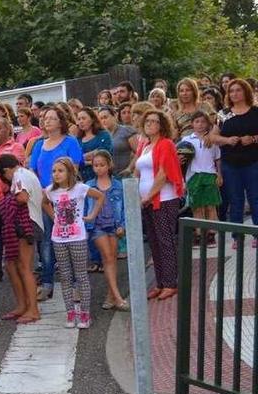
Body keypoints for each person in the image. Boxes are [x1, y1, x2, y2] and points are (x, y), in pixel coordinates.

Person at [29, 106, 84, 301]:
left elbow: (73, 169)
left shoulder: (70, 142)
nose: (47, 121)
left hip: (66, 199)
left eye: (52, 118)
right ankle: (47, 283)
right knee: (45, 242)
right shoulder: (38, 145)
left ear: (61, 121)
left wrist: (55, 188)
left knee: (71, 240)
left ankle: (77, 285)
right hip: (45, 199)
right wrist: (43, 191)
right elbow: (33, 171)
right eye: (45, 118)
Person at [42, 157, 105, 329]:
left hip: (77, 238)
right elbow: (45, 203)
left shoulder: (80, 188)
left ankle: (85, 314)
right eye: (54, 171)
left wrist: (91, 216)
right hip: (58, 238)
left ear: (70, 172)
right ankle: (70, 313)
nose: (56, 174)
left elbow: (100, 196)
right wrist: (53, 216)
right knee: (64, 276)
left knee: (81, 275)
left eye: (60, 171)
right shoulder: (50, 191)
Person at [135, 110, 184, 301]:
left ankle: (171, 283)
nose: (150, 124)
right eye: (147, 120)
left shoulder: (166, 144)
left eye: (155, 121)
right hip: (147, 200)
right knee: (154, 243)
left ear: (162, 125)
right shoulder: (145, 146)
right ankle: (160, 282)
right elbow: (138, 172)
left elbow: (163, 175)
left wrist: (148, 196)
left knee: (166, 241)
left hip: (163, 200)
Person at [0, 155, 42, 324]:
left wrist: (7, 201)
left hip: (26, 223)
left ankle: (33, 309)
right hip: (31, 222)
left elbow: (22, 197)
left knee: (24, 267)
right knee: (14, 265)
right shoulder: (27, 173)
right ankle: (23, 305)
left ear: (6, 171)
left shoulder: (19, 176)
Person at [214, 79, 258, 247]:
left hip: (253, 162)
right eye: (231, 91)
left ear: (245, 91)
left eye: (238, 90)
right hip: (230, 164)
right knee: (235, 200)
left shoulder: (255, 112)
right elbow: (212, 137)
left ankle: (256, 234)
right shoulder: (223, 114)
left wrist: (253, 138)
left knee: (255, 198)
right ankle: (236, 237)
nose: (234, 94)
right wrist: (226, 140)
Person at [84, 151, 128, 311]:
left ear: (109, 165)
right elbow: (85, 208)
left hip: (114, 225)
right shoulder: (89, 185)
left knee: (112, 259)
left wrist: (122, 224)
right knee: (108, 258)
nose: (99, 168)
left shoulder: (118, 185)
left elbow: (123, 208)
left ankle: (110, 296)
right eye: (96, 165)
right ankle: (117, 297)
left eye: (102, 165)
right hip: (97, 226)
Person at [181, 112, 222, 247]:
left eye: (203, 122)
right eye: (197, 121)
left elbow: (217, 158)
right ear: (192, 124)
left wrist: (219, 174)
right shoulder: (187, 140)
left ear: (208, 124)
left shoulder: (212, 139)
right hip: (194, 176)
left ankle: (211, 234)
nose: (200, 124)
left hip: (210, 174)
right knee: (197, 207)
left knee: (211, 206)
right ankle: (198, 234)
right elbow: (181, 160)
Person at [76, 108, 113, 182]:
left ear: (92, 119)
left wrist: (82, 158)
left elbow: (103, 153)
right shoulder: (77, 139)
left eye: (83, 118)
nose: (81, 121)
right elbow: (75, 160)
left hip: (102, 178)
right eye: (79, 119)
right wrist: (89, 160)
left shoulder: (104, 135)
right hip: (83, 179)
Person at [98, 106, 136, 177]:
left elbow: (138, 152)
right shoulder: (100, 135)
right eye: (101, 119)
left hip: (126, 175)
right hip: (108, 177)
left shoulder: (127, 131)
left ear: (114, 116)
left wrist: (129, 168)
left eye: (106, 117)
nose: (103, 121)